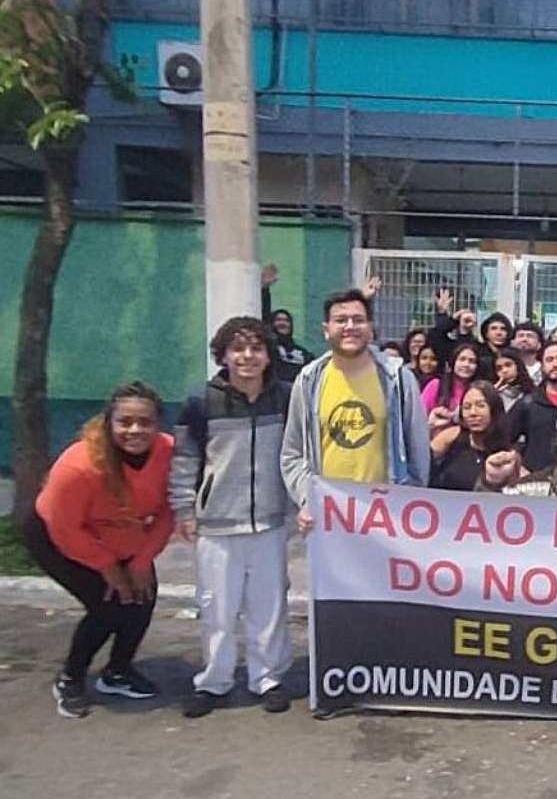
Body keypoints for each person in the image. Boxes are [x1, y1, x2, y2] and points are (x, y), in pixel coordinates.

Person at [23, 382, 174, 718]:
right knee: (107, 604)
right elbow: (65, 529)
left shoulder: (169, 453)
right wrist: (108, 567)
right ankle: (70, 678)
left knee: (142, 597)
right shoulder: (79, 465)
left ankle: (117, 672)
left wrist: (141, 562)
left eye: (145, 422)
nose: (135, 430)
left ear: (158, 424)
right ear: (109, 422)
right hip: (58, 536)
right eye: (125, 422)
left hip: (122, 532)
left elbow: (168, 512)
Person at [169, 317, 294, 718]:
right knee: (217, 610)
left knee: (269, 607)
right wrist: (184, 509)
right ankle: (214, 681)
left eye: (256, 348)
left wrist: (297, 506)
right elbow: (185, 460)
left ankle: (267, 679)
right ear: (223, 355)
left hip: (270, 522)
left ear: (268, 355)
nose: (247, 357)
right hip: (217, 525)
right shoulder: (200, 402)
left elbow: (297, 455)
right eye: (238, 349)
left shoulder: (286, 398)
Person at [281, 288, 431, 523]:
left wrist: (409, 503)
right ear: (326, 330)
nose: (349, 327)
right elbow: (292, 453)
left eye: (358, 320)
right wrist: (307, 499)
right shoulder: (309, 381)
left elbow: (418, 451)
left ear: (370, 328)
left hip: (387, 517)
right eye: (340, 320)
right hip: (328, 518)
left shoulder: (398, 379)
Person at [508, 340, 557, 472]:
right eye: (549, 360)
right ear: (542, 366)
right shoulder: (527, 403)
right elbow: (504, 439)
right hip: (535, 476)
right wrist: (518, 466)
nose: (555, 364)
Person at [430, 382, 511, 491]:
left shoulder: (505, 454)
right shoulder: (452, 436)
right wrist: (429, 427)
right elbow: (420, 462)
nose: (473, 413)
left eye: (480, 406)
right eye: (467, 407)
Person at [260, 264, 314, 382]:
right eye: (278, 320)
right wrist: (264, 289)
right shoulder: (270, 349)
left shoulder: (303, 354)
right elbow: (264, 317)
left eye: (286, 320)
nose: (283, 323)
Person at [422, 341, 481, 422]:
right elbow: (418, 417)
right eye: (462, 359)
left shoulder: (478, 390)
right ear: (453, 363)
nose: (466, 364)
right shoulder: (436, 385)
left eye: (472, 361)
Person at [428, 287, 483, 366]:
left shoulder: (476, 344)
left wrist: (464, 330)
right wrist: (445, 315)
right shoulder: (445, 343)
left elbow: (466, 351)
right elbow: (436, 336)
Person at [493, 346, 536, 412]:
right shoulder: (496, 395)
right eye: (499, 368)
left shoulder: (534, 392)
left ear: (518, 365)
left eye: (508, 365)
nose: (504, 371)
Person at [478, 311, 514, 378]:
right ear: (486, 333)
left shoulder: (514, 355)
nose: (498, 333)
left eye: (503, 329)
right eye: (494, 328)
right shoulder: (477, 354)